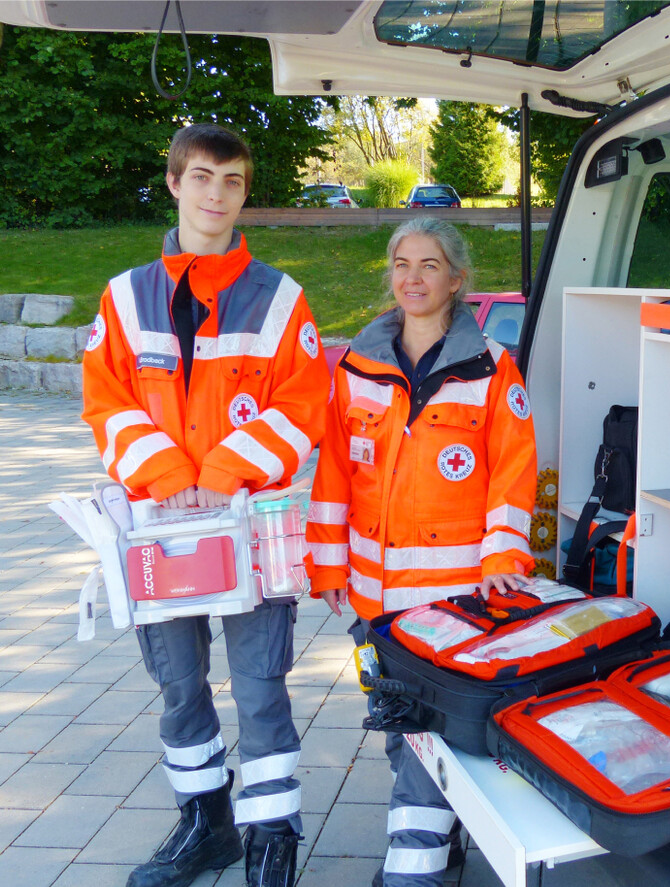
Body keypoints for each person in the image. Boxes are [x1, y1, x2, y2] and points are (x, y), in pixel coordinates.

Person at [81, 123, 330, 887]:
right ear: (175, 184)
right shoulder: (124, 297)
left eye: (231, 181)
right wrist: (165, 472)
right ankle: (205, 822)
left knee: (260, 682)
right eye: (201, 178)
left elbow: (305, 400)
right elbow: (106, 399)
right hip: (160, 521)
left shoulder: (282, 298)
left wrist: (222, 470)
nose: (215, 194)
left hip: (248, 520)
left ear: (245, 193)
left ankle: (272, 836)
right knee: (179, 683)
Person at [305, 216, 538, 886]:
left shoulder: (494, 370)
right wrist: (325, 564)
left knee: (422, 730)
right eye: (402, 263)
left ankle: (416, 868)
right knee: (397, 723)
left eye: (429, 265)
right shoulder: (356, 367)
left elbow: (512, 479)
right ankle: (444, 837)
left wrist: (502, 564)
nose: (412, 277)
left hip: (451, 604)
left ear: (457, 279)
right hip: (371, 601)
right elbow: (333, 479)